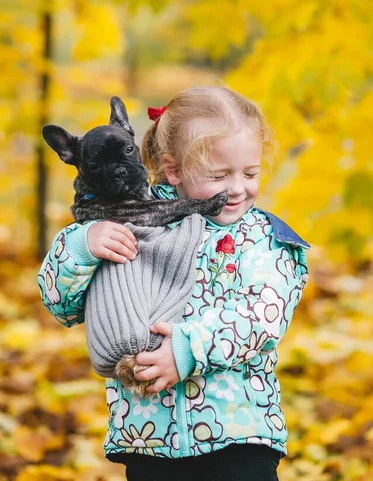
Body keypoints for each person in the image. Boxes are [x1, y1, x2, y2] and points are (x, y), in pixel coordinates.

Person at [38, 86, 310, 481]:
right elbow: (60, 303)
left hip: (238, 433)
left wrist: (188, 349)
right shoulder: (125, 218)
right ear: (174, 169)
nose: (237, 188)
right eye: (219, 175)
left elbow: (263, 316)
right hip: (148, 438)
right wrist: (82, 245)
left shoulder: (264, 237)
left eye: (250, 173)